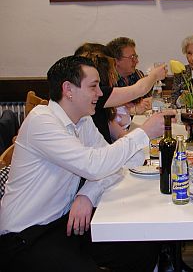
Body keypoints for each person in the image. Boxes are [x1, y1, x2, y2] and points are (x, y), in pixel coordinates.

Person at [0, 56, 175, 271]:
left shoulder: (82, 120)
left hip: (65, 222)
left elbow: (114, 166)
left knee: (141, 244)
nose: (100, 94)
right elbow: (95, 165)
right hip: (25, 237)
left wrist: (87, 194)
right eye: (93, 87)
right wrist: (144, 132)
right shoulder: (42, 121)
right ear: (68, 89)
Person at [76, 44, 167, 143]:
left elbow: (121, 135)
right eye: (112, 70)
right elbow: (140, 89)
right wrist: (154, 75)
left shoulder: (100, 107)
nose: (114, 74)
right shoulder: (100, 94)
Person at [107, 37, 151, 114]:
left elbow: (148, 100)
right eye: (132, 57)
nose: (136, 61)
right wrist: (133, 109)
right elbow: (111, 112)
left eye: (136, 57)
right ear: (116, 60)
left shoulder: (137, 74)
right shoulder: (108, 80)